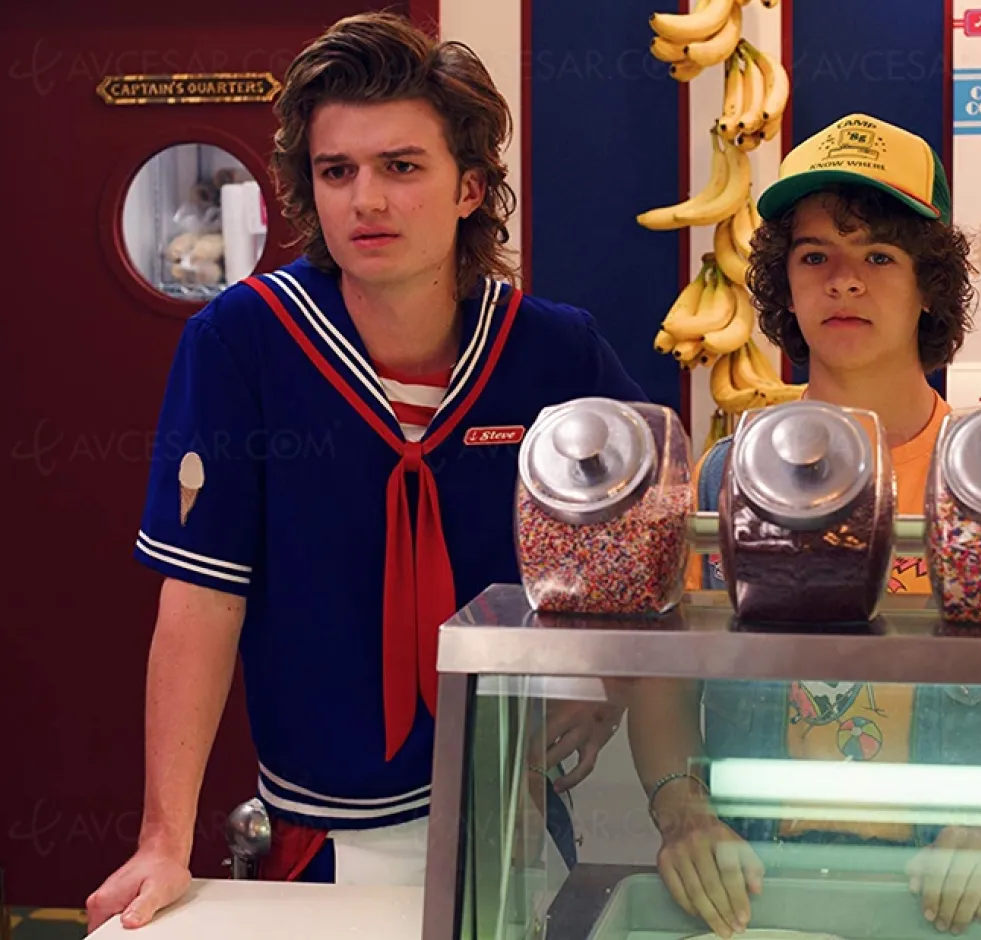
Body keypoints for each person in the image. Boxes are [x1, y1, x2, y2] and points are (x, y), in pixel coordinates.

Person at [87, 13, 638, 931]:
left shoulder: (553, 352)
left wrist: (610, 689)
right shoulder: (242, 344)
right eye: (336, 171)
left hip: (514, 815)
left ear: (469, 188)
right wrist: (162, 839)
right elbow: (202, 602)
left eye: (401, 167)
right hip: (322, 828)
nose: (365, 200)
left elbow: (650, 546)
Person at [636, 114, 981, 938]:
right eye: (815, 256)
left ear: (930, 287)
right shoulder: (723, 478)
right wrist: (683, 813)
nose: (844, 282)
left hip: (943, 904)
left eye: (879, 257)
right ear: (784, 285)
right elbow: (664, 680)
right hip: (758, 898)